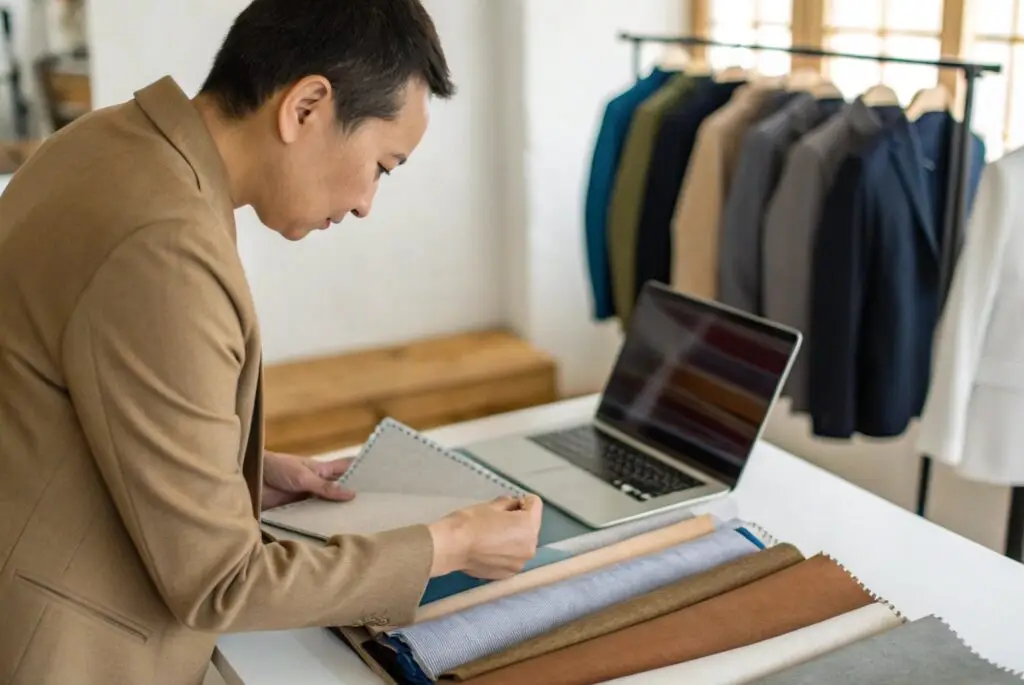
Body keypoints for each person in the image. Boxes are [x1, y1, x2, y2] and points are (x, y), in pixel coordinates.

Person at [0, 1, 544, 683]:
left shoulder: (102, 143)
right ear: (307, 106)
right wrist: (450, 542)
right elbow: (220, 581)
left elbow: (56, 407)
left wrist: (234, 473)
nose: (366, 203)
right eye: (383, 164)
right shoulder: (165, 245)